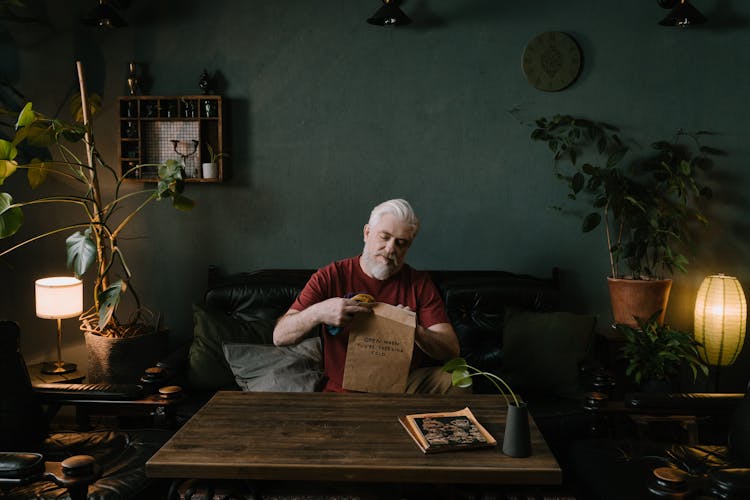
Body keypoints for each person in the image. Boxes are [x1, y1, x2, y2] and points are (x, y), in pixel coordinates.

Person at [273, 198, 462, 393]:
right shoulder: (331, 275)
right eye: (384, 237)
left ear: (408, 247)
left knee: (456, 380)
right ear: (367, 233)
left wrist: (416, 331)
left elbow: (451, 349)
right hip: (345, 390)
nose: (390, 249)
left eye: (401, 243)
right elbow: (279, 337)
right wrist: (319, 312)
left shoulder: (419, 283)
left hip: (404, 386)